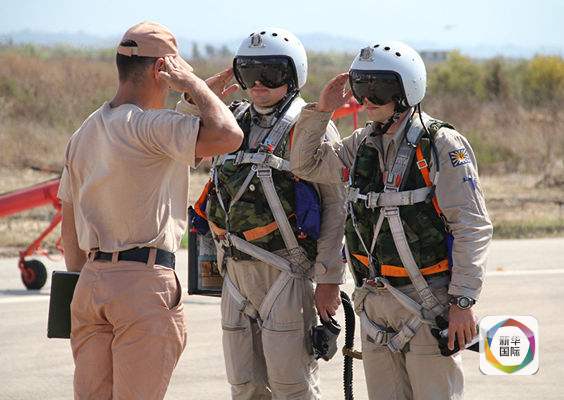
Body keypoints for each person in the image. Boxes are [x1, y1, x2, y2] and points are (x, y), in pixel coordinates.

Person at [290, 41, 493, 400]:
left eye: (378, 89)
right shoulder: (360, 144)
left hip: (427, 300)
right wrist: (321, 110)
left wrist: (463, 301)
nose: (367, 100)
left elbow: (471, 226)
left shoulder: (441, 144)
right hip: (374, 302)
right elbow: (305, 164)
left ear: (405, 90)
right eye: (361, 88)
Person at [58, 21, 243, 400]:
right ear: (163, 69)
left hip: (91, 283)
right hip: (142, 283)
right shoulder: (151, 127)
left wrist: (85, 284)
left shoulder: (85, 132)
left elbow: (69, 224)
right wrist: (197, 87)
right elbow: (229, 135)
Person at [178, 28, 346, 399]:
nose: (258, 84)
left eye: (270, 74)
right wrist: (204, 94)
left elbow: (336, 207)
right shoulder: (230, 119)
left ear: (293, 76)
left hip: (285, 269)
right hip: (234, 271)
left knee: (293, 387)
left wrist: (330, 279)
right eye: (248, 73)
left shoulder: (311, 126)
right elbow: (182, 131)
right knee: (245, 386)